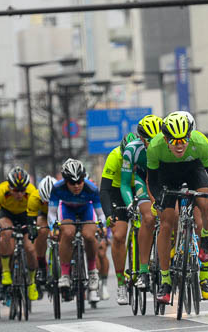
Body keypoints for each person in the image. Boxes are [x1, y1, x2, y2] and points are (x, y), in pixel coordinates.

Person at [147, 112, 208, 304]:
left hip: (193, 170)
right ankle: (165, 281)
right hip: (167, 175)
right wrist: (158, 200)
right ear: (166, 139)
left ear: (190, 136)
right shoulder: (155, 147)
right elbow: (153, 181)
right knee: (165, 223)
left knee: (207, 202)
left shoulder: (200, 142)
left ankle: (205, 241)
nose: (180, 144)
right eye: (174, 141)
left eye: (184, 139)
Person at [49, 159, 106, 303]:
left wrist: (102, 226)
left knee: (88, 235)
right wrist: (53, 228)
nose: (76, 186)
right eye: (72, 183)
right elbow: (51, 213)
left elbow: (100, 213)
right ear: (65, 182)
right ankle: (65, 274)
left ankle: (92, 271)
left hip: (86, 210)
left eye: (79, 181)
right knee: (67, 233)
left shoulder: (91, 188)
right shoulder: (57, 188)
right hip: (67, 210)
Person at [121, 114, 163, 292]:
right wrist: (131, 204)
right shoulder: (132, 150)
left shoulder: (168, 146)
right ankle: (144, 271)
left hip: (162, 181)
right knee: (148, 218)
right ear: (140, 138)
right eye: (148, 141)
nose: (152, 144)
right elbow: (124, 183)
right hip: (142, 180)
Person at [0, 166, 39, 301]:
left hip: (26, 215)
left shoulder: (32, 192)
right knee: (6, 231)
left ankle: (32, 282)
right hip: (7, 214)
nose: (19, 194)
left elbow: (34, 217)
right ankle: (5, 271)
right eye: (16, 190)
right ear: (9, 187)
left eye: (22, 190)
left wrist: (32, 230)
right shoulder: (0, 191)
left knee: (30, 249)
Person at [100, 133, 138, 305]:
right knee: (118, 236)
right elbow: (104, 190)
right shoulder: (114, 156)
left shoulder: (143, 153)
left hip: (137, 188)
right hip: (117, 193)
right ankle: (121, 283)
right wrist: (109, 214)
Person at [27, 175, 56, 293]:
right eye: (45, 202)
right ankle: (42, 266)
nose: (48, 204)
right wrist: (33, 232)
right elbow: (31, 221)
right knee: (41, 230)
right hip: (43, 215)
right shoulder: (34, 197)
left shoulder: (63, 193)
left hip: (59, 212)